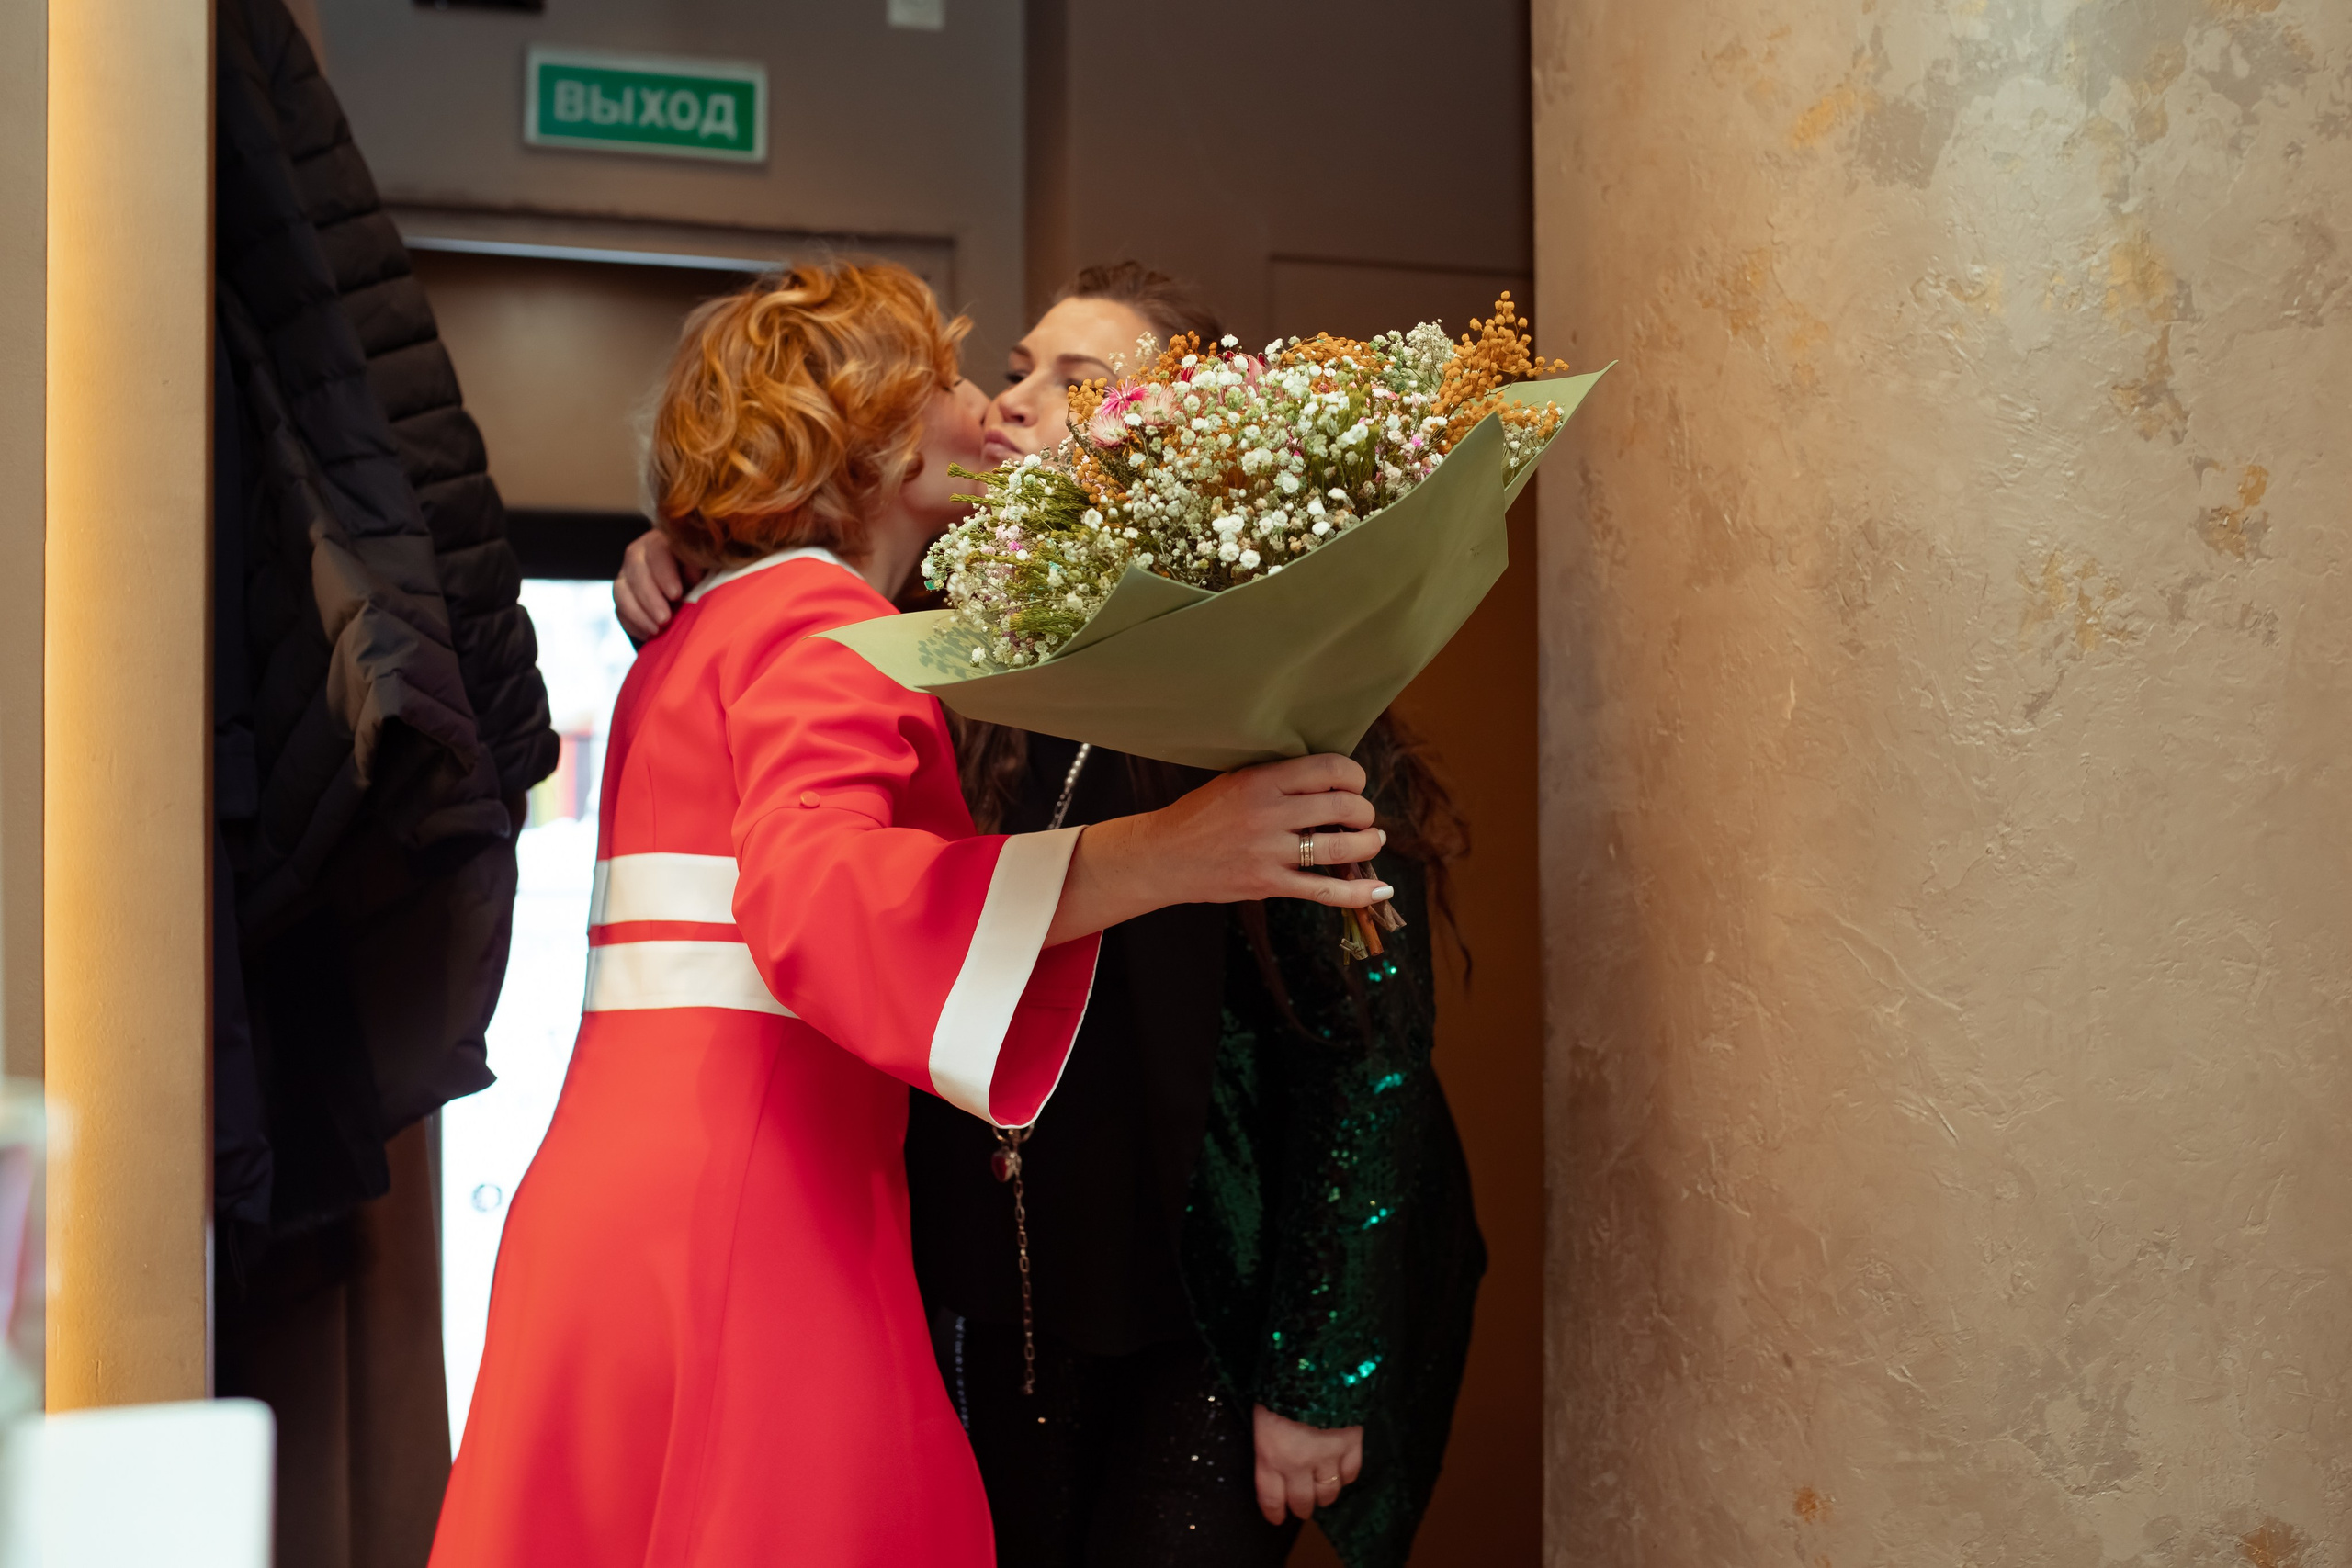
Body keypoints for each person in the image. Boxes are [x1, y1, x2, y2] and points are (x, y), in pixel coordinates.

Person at [430, 262, 1396, 1568]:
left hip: (612, 1221)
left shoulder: (698, 631)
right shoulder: (831, 623)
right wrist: (1167, 850)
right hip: (757, 1216)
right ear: (872, 433)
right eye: (954, 378)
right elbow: (819, 902)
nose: (987, 406)